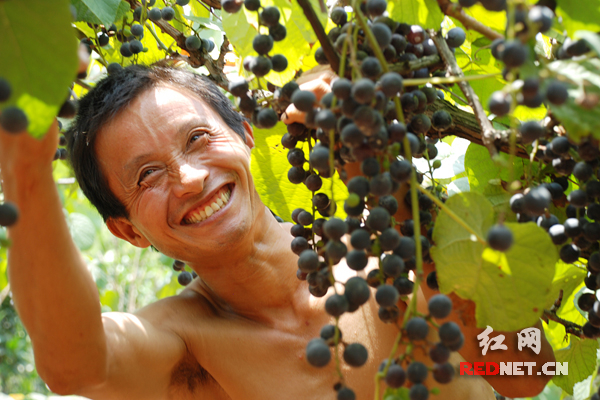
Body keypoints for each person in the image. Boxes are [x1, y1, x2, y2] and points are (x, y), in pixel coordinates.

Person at [0, 61, 553, 400]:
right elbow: (74, 364)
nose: (189, 178)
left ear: (245, 134)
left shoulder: (388, 248)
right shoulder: (186, 347)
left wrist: (383, 179)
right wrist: (26, 174)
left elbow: (526, 373)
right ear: (127, 231)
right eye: (148, 176)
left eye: (197, 139)